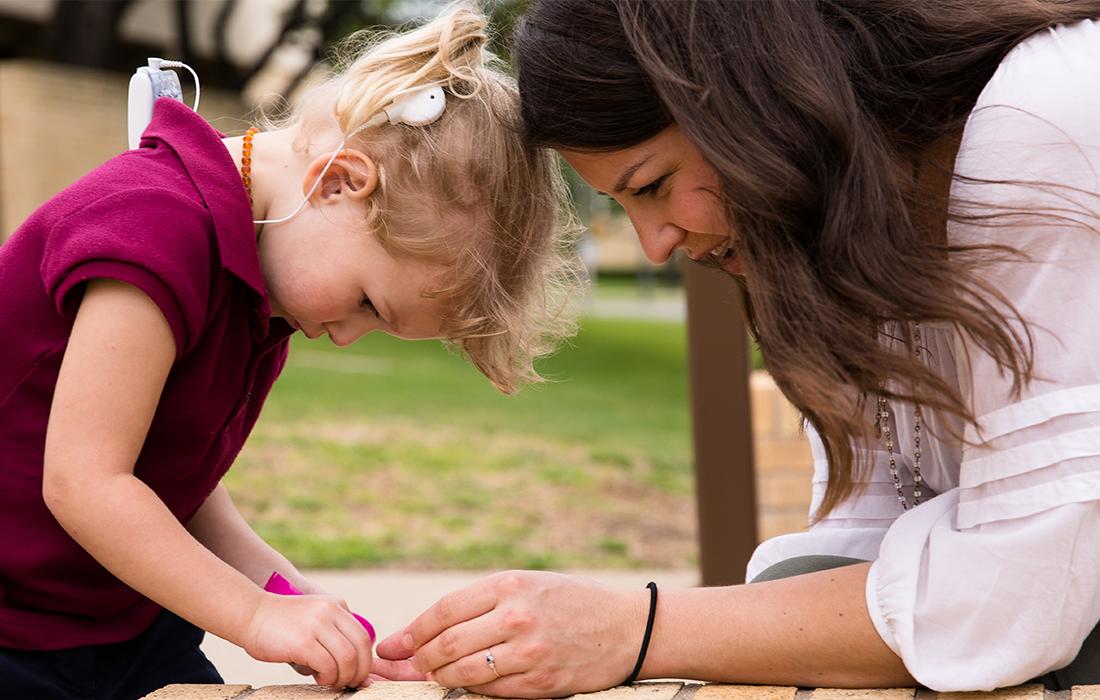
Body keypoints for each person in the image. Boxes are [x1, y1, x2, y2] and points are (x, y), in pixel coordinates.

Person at [373, 0, 1100, 694]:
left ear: (753, 104)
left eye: (654, 185)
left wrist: (633, 630)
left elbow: (1012, 600)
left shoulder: (1041, 122)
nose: (655, 245)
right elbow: (869, 542)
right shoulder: (862, 221)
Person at [0, 2, 578, 697]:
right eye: (370, 303)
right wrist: (252, 614)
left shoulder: (260, 287)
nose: (345, 333)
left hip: (113, 623)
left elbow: (167, 475)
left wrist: (292, 597)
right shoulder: (156, 226)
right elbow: (88, 482)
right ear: (338, 182)